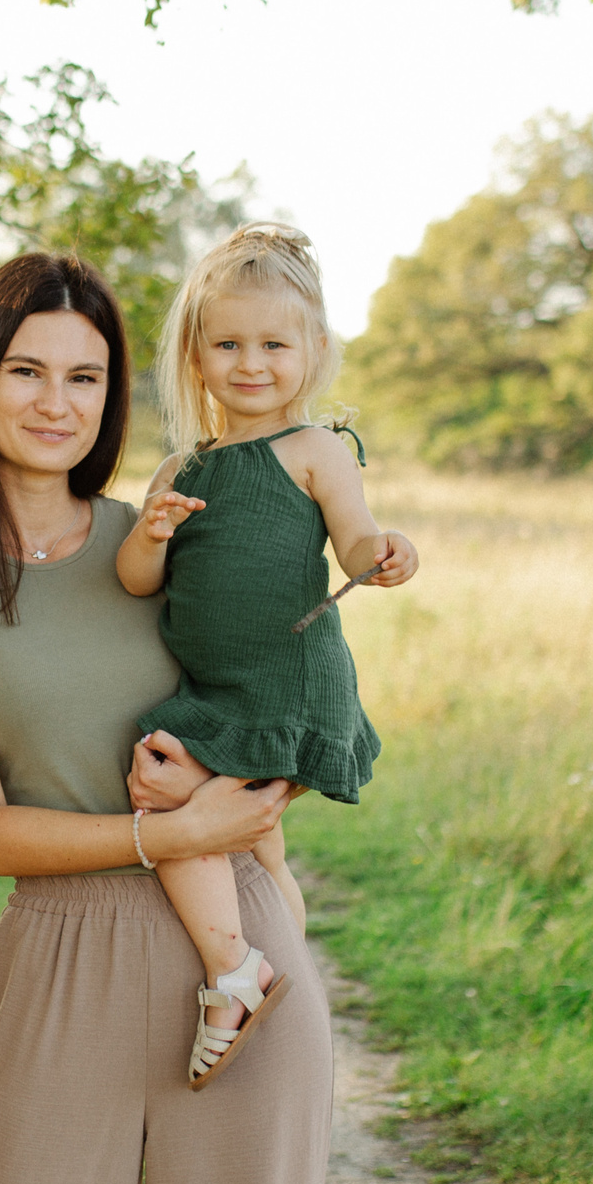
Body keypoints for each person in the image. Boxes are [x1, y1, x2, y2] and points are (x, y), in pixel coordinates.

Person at [0, 252, 333, 1184]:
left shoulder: (173, 534)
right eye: (26, 371)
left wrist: (257, 820)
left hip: (239, 956)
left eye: (84, 377)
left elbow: (283, 696)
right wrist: (162, 838)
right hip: (63, 957)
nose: (56, 402)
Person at [114, 222, 420, 1088]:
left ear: (313, 349)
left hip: (286, 679)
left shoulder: (313, 450)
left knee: (168, 798)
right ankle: (291, 978)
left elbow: (355, 538)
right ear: (195, 354)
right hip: (218, 685)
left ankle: (234, 971)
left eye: (274, 345)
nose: (251, 363)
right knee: (262, 848)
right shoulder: (181, 467)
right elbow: (138, 581)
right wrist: (150, 531)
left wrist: (383, 554)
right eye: (228, 344)